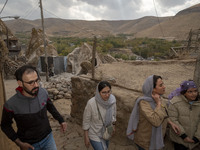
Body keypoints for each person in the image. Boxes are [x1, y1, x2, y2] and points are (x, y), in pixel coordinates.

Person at [1, 65, 67, 150]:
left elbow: (51, 107)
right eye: (31, 82)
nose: (36, 85)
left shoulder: (43, 92)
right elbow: (5, 126)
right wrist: (19, 143)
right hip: (28, 145)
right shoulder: (11, 104)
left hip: (48, 139)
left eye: (37, 80)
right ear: (20, 83)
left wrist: (61, 120)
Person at [126, 75, 180, 150]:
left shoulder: (160, 99)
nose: (164, 87)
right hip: (145, 143)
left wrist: (170, 123)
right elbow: (156, 121)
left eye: (163, 84)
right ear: (153, 89)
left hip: (155, 140)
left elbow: (163, 115)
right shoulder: (144, 103)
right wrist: (158, 104)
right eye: (161, 85)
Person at [82, 81, 116, 150]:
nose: (107, 95)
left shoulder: (112, 101)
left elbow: (114, 114)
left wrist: (113, 126)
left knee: (106, 147)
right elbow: (86, 120)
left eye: (108, 91)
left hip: (107, 131)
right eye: (104, 92)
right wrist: (86, 136)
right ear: (98, 92)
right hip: (95, 134)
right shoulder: (91, 103)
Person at [168, 80, 200, 150]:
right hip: (180, 141)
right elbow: (173, 119)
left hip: (196, 142)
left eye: (195, 91)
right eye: (190, 92)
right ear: (184, 93)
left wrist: (197, 137)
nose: (193, 94)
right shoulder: (175, 103)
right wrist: (184, 136)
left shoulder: (198, 104)